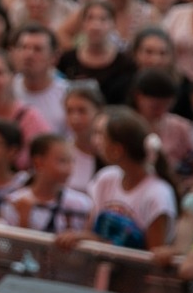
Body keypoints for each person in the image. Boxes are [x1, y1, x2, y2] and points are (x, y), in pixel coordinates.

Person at [60, 107, 177, 251]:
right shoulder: (105, 179)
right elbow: (92, 231)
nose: (96, 142)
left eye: (101, 136)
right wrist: (80, 237)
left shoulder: (157, 194)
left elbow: (153, 255)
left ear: (117, 149)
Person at [1, 134, 94, 234]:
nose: (69, 168)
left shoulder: (82, 204)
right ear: (38, 163)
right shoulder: (14, 202)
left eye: (72, 161)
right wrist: (23, 220)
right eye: (62, 161)